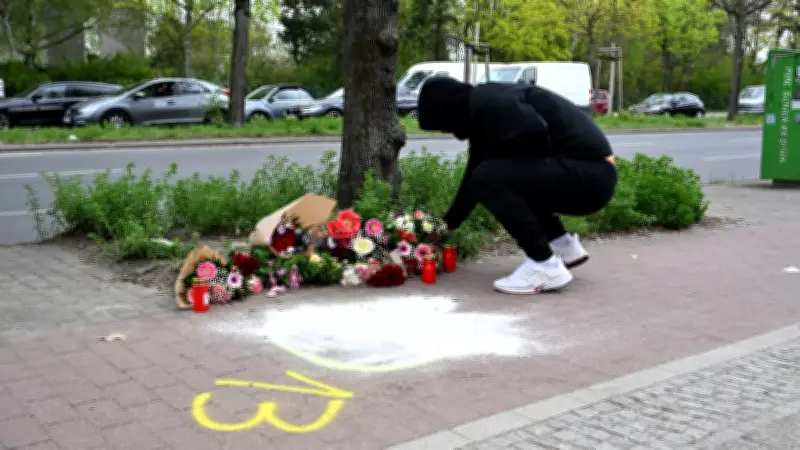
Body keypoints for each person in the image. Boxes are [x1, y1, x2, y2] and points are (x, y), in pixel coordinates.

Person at [417, 76, 618, 295]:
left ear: (449, 111)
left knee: (493, 177)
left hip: (590, 177)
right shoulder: (485, 104)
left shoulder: (491, 104)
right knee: (496, 175)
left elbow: (534, 133)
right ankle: (563, 246)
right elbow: (474, 177)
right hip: (592, 173)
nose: (446, 132)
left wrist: (510, 162)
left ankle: (544, 265)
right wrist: (448, 224)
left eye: (442, 126)